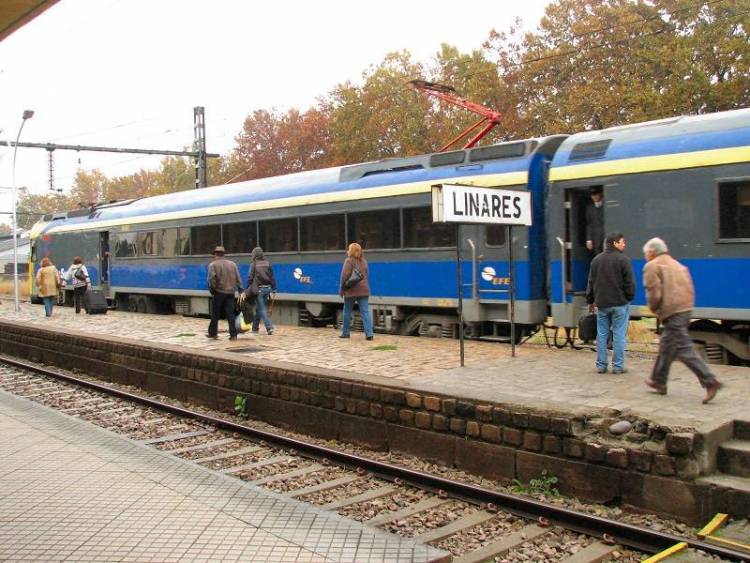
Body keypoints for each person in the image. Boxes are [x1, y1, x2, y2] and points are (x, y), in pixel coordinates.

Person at [642, 238, 722, 404]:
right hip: (685, 309)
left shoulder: (652, 266)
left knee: (684, 349)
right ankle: (658, 381)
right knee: (667, 346)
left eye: (646, 253)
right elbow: (690, 288)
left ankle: (710, 381)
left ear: (651, 252)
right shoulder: (678, 265)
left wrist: (654, 309)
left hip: (672, 311)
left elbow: (654, 294)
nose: (645, 256)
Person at [586, 233, 635, 374]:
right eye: (622, 242)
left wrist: (590, 300)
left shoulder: (596, 260)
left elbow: (591, 283)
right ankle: (618, 366)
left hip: (602, 305)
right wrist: (628, 297)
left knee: (602, 334)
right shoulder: (624, 260)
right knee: (619, 334)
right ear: (614, 243)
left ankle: (601, 365)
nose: (624, 244)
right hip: (620, 304)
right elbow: (629, 284)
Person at [339, 242, 374, 340]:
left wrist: (341, 289)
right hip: (364, 290)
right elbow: (366, 275)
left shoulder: (348, 261)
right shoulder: (364, 261)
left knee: (347, 311)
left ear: (350, 251)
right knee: (365, 312)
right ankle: (369, 334)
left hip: (351, 291)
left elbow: (344, 276)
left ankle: (346, 333)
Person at [207, 246, 242, 340]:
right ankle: (233, 335)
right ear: (223, 254)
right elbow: (238, 278)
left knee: (215, 314)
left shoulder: (213, 265)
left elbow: (211, 280)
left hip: (219, 292)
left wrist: (212, 290)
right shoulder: (233, 264)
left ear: (215, 254)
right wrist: (240, 290)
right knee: (230, 314)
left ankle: (213, 333)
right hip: (231, 292)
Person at [246, 246, 276, 335]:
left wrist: (247, 288)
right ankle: (255, 328)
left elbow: (250, 278)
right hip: (268, 289)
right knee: (259, 309)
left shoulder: (254, 264)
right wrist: (274, 289)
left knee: (262, 309)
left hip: (258, 289)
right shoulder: (267, 263)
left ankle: (269, 327)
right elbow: (272, 277)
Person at [585, 187, 605, 256]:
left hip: (606, 236)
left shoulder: (605, 206)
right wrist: (589, 239)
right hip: (596, 238)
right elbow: (589, 224)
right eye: (592, 195)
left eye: (596, 194)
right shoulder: (589, 208)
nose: (594, 197)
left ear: (600, 194)